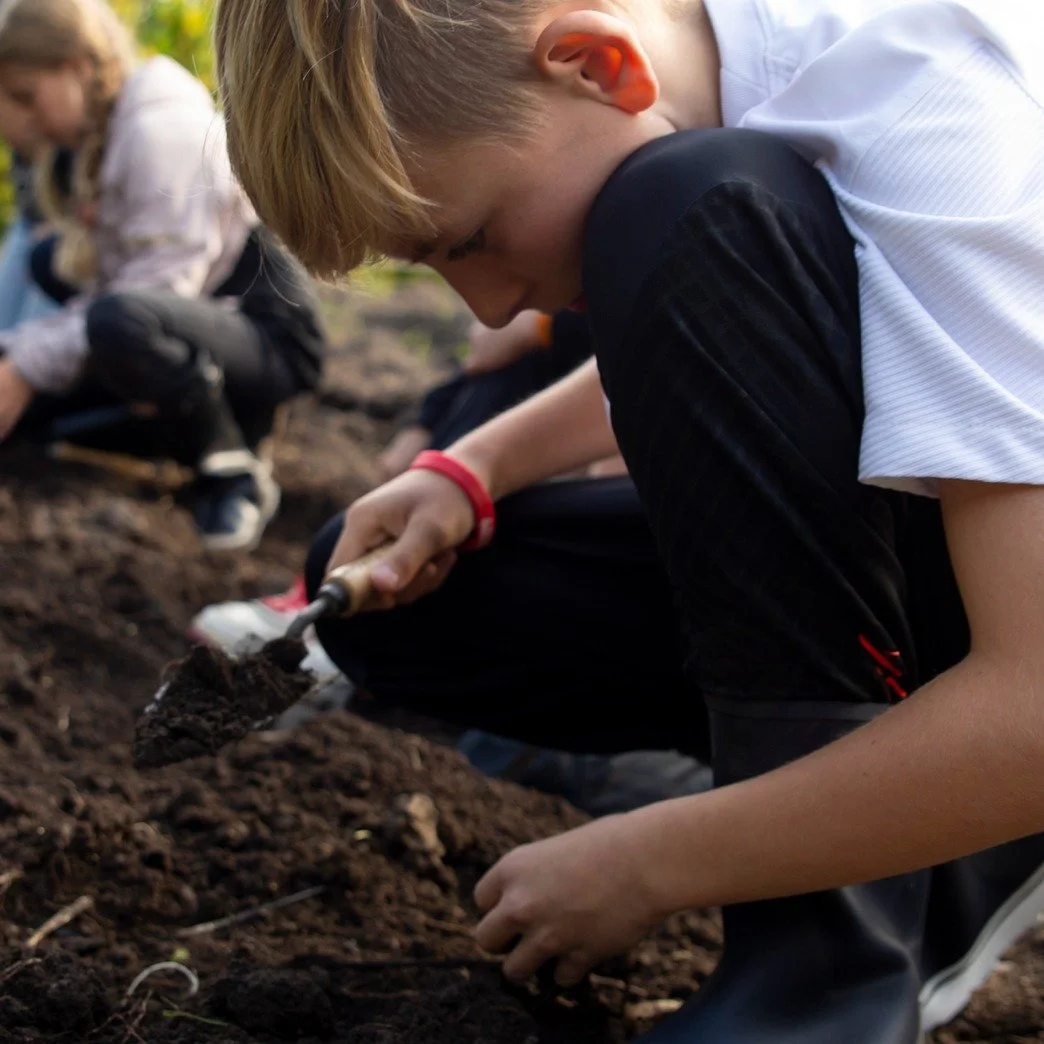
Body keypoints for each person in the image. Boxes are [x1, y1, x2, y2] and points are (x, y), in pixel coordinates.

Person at [214, 0, 1044, 1040]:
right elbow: (784, 334)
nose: (488, 310)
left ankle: (827, 970)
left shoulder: (940, 113)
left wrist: (655, 858)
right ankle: (914, 826)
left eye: (471, 241)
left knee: (677, 198)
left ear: (598, 63)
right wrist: (470, 469)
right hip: (954, 600)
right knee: (394, 604)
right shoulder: (742, 87)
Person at [192, 305, 712, 815]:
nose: (489, 300)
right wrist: (450, 462)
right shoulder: (634, 307)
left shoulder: (687, 282)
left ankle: (665, 775)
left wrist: (544, 327)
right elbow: (503, 347)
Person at [0, 0, 325, 551]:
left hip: (269, 335)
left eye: (27, 96)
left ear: (77, 66)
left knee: (119, 323)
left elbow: (155, 292)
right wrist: (17, 359)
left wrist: (27, 365)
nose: (25, 119)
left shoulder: (160, 130)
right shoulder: (99, 136)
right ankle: (162, 417)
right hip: (187, 313)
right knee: (48, 273)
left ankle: (231, 467)